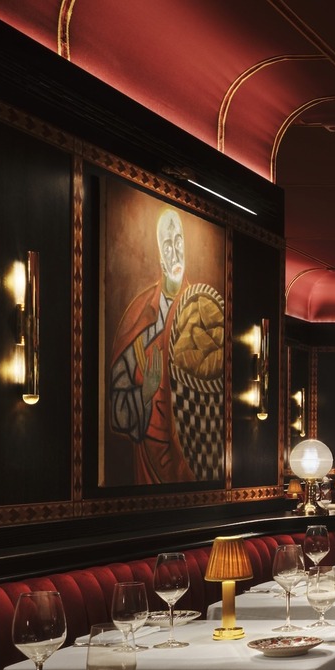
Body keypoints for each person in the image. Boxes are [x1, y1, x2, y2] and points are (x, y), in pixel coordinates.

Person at [109, 207, 196, 483]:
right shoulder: (139, 314)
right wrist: (144, 393)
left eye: (179, 241)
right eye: (167, 245)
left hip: (188, 458)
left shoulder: (200, 310)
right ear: (159, 254)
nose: (175, 252)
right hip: (148, 460)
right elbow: (116, 410)